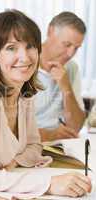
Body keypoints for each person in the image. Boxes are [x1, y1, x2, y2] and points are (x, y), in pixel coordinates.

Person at [0, 9, 91, 200]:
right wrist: (49, 184)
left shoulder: (25, 92)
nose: (25, 57)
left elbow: (33, 145)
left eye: (30, 46)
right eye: (11, 48)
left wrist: (12, 163)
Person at [35, 11, 86, 142]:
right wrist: (49, 135)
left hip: (59, 146)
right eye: (67, 44)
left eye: (76, 48)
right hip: (30, 145)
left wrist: (66, 88)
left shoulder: (71, 68)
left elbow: (75, 127)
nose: (70, 54)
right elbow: (6, 129)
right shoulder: (24, 62)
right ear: (50, 31)